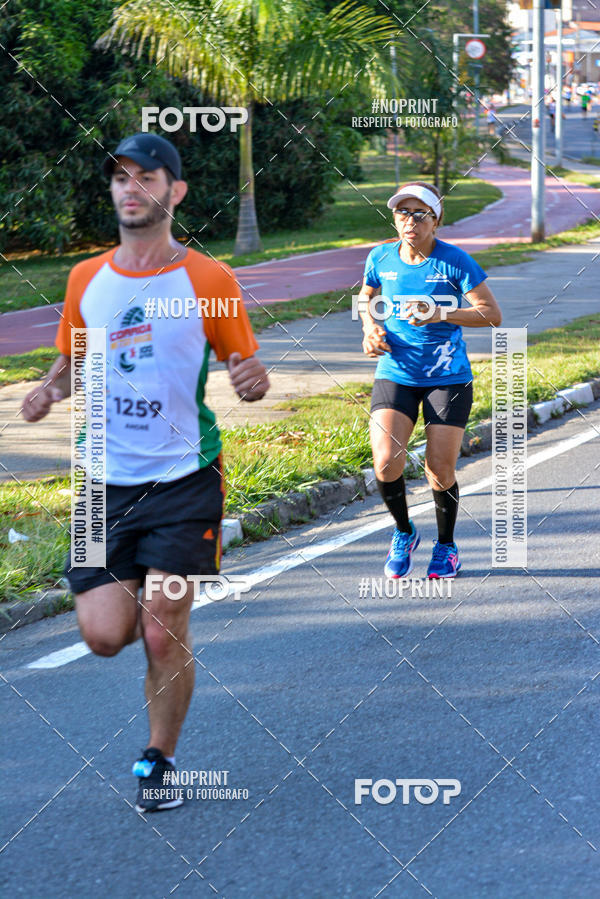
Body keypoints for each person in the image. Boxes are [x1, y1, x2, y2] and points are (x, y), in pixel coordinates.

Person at [21, 133, 269, 812]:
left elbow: (244, 366)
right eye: (120, 178)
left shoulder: (210, 281)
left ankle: (158, 761)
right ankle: (147, 610)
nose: (131, 189)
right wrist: (49, 390)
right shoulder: (85, 279)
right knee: (105, 636)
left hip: (185, 478)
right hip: (100, 483)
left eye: (147, 178)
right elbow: (75, 359)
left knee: (162, 622)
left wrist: (251, 376)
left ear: (175, 192)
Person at [358, 181, 501, 579]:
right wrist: (370, 328)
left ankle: (446, 546)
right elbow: (366, 296)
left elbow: (492, 314)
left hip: (447, 377)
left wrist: (441, 313)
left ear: (436, 219)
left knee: (440, 469)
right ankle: (404, 532)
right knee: (386, 463)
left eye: (419, 213)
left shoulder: (455, 261)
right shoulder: (381, 256)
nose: (410, 221)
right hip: (397, 370)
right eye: (402, 213)